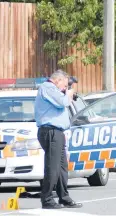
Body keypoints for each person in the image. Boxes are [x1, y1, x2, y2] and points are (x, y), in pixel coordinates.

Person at [34, 69, 83, 209]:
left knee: (62, 167)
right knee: (52, 166)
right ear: (58, 80)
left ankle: (64, 197)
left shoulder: (54, 89)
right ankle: (47, 199)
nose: (64, 88)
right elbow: (62, 102)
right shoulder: (47, 87)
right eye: (64, 85)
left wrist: (67, 94)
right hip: (50, 131)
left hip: (58, 132)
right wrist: (68, 94)